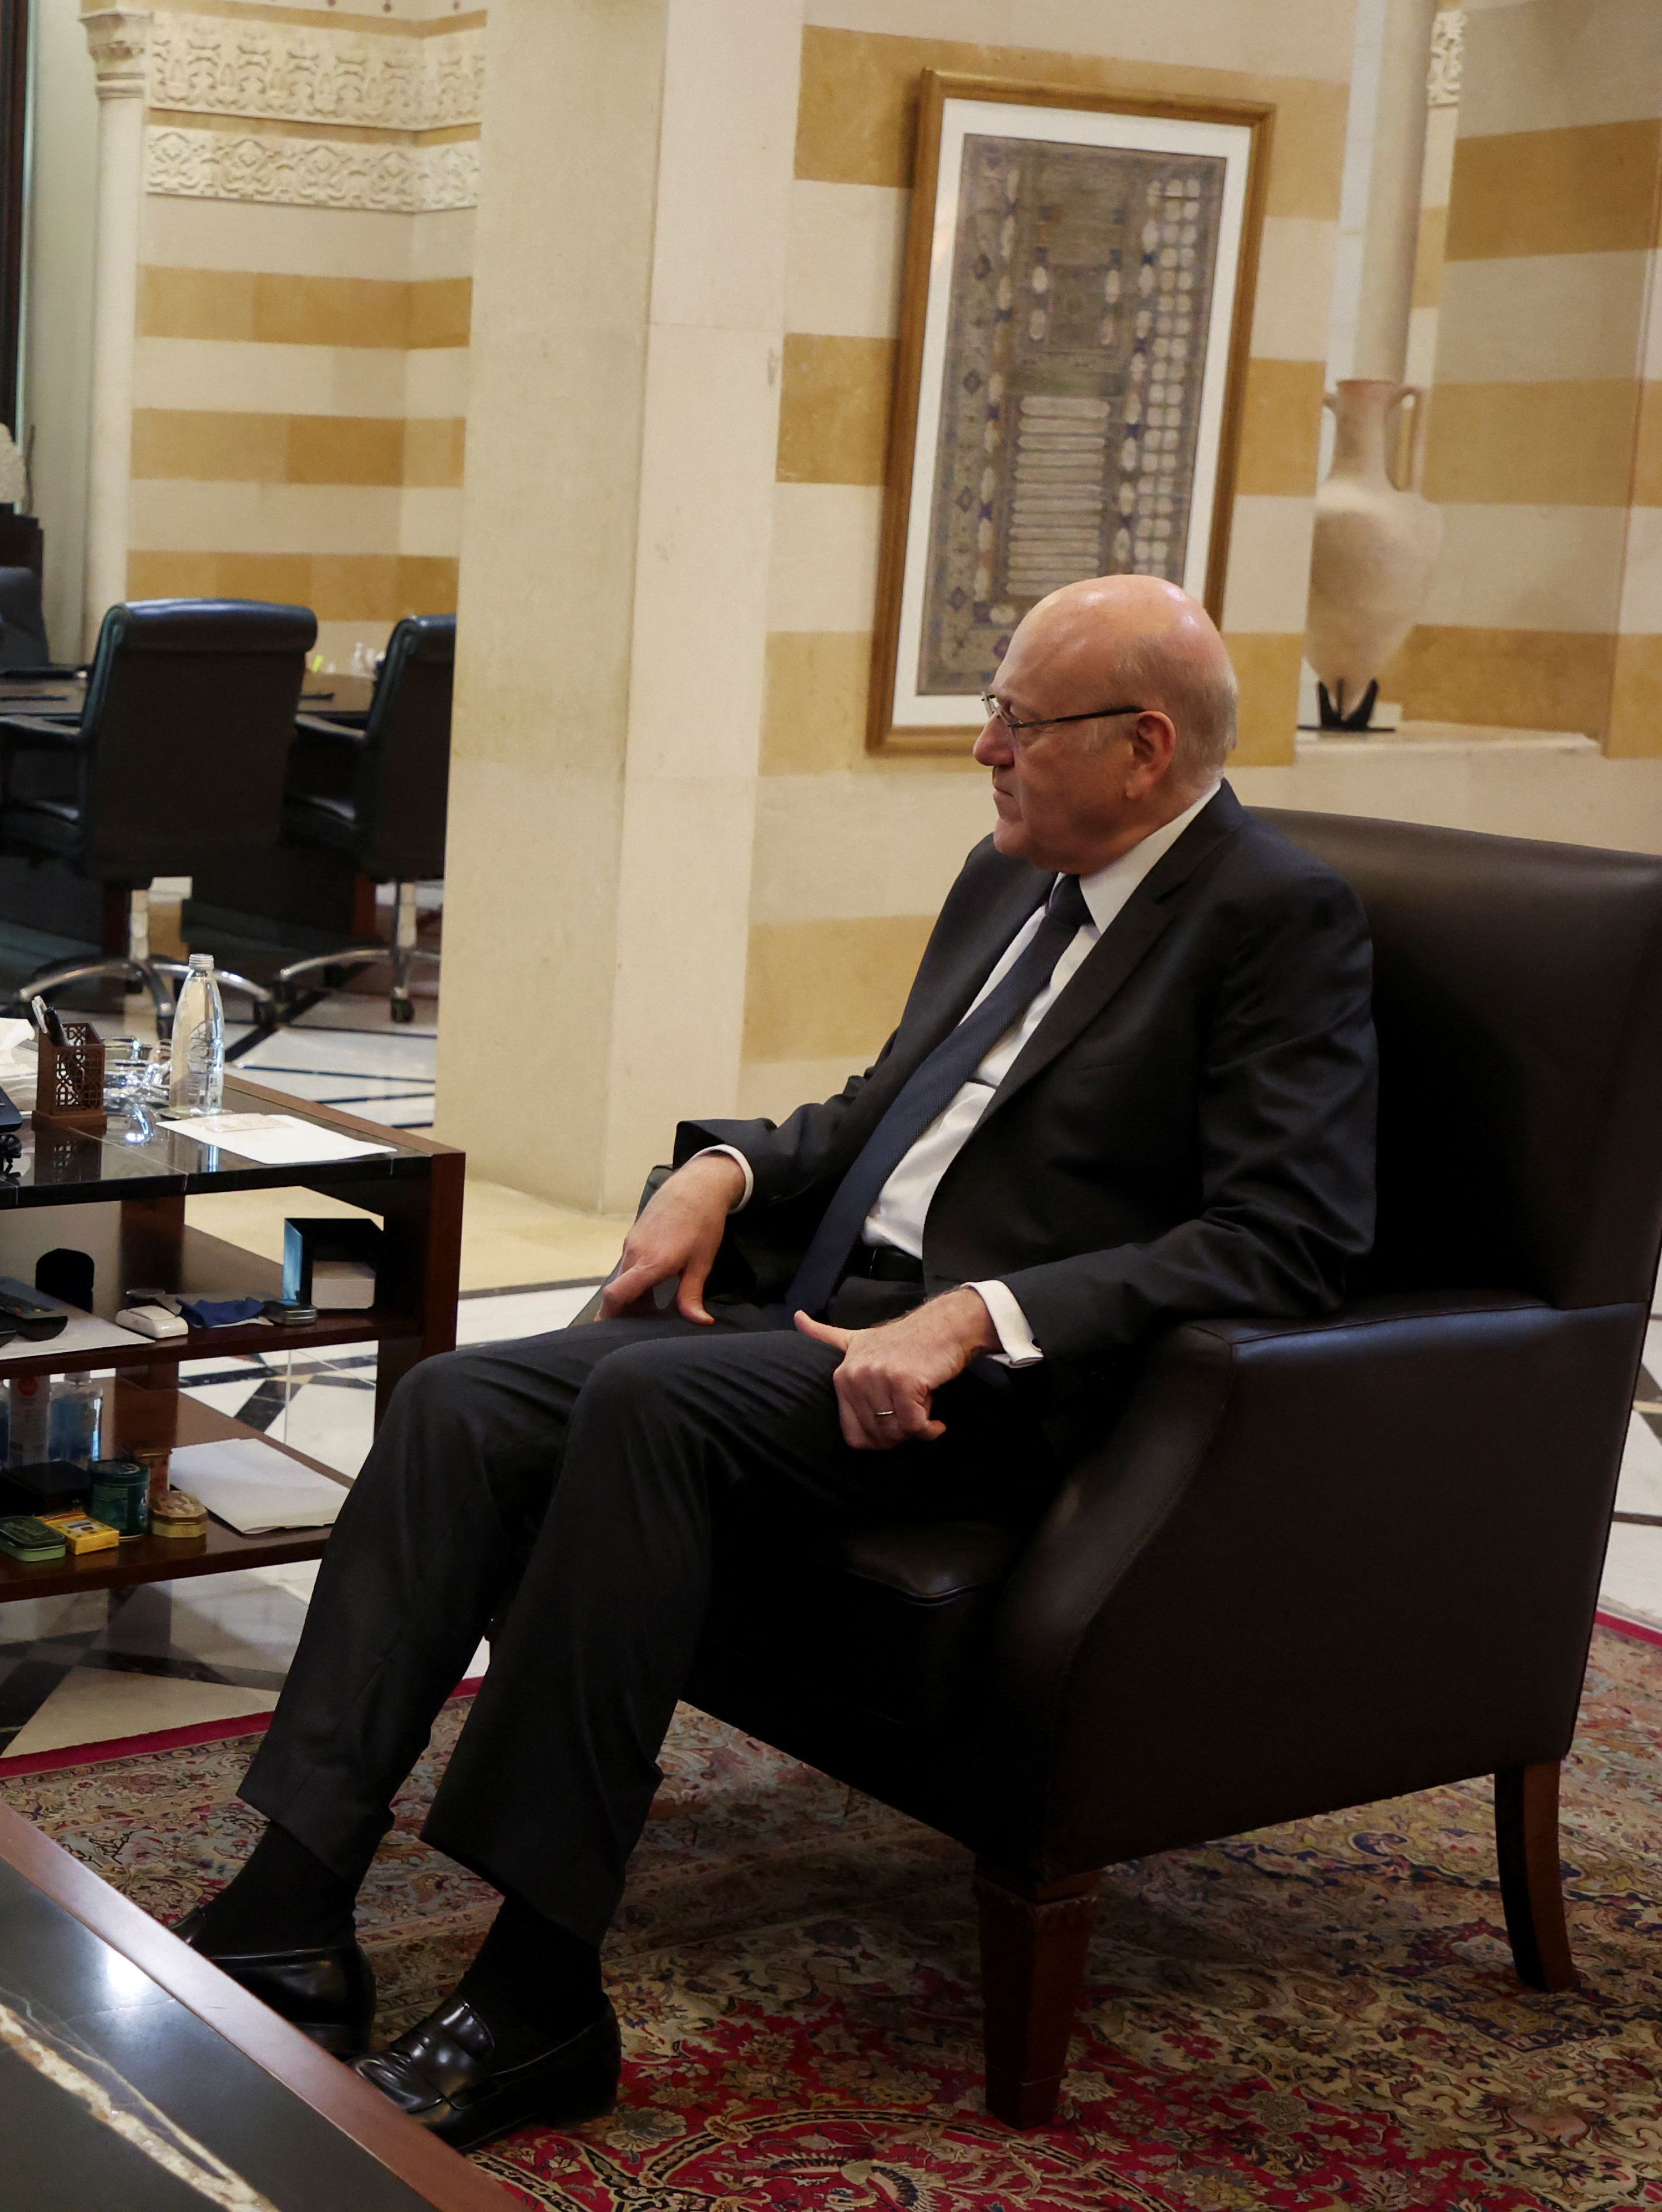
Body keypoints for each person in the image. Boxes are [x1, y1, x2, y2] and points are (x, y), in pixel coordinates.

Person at [183, 574, 1377, 2147]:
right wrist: (727, 1172)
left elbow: (1289, 1233)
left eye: (1014, 720)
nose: (984, 751)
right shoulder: (1008, 875)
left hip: (997, 1391)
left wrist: (978, 1316)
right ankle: (290, 1900)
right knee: (455, 1396)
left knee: (635, 1403)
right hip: (814, 1317)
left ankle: (540, 1996)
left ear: (1142, 746)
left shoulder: (1271, 918)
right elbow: (886, 1106)